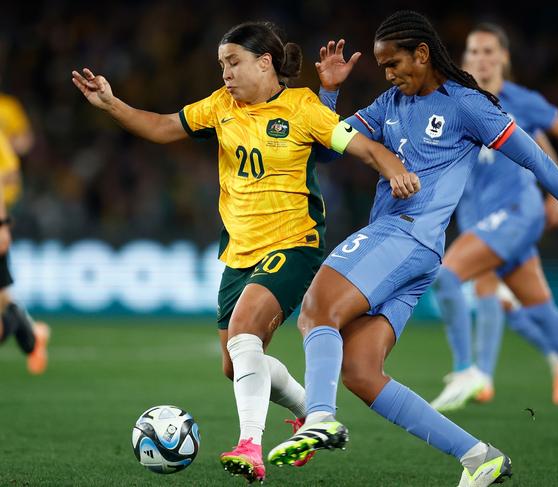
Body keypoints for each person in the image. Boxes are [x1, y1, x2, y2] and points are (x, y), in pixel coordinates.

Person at [268, 11, 558, 487]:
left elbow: (539, 161)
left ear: (422, 54)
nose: (388, 74)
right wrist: (330, 94)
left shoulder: (467, 106)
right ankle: (478, 456)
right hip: (415, 253)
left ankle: (320, 417)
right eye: (382, 67)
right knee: (362, 372)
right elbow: (322, 149)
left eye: (394, 63)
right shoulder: (390, 104)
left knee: (318, 309)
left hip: (407, 234)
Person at [72, 21, 419, 484]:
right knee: (235, 363)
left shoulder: (302, 107)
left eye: (232, 63)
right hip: (238, 254)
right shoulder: (221, 107)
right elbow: (160, 127)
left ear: (265, 62)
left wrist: (394, 167)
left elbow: (360, 146)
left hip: (293, 245)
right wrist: (111, 104)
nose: (225, 75)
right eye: (221, 65)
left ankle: (250, 445)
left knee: (243, 330)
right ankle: (308, 417)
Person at [428, 23, 558, 431]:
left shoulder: (519, 101)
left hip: (515, 209)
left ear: (504, 58)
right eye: (474, 52)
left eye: (489, 51)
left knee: (448, 274)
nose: (481, 58)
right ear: (463, 60)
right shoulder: (456, 101)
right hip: (482, 217)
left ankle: (469, 370)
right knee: (537, 307)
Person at [0, 82, 49, 374]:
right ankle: (26, 328)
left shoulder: (8, 106)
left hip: (5, 205)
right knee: (3, 294)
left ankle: (23, 326)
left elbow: (13, 162)